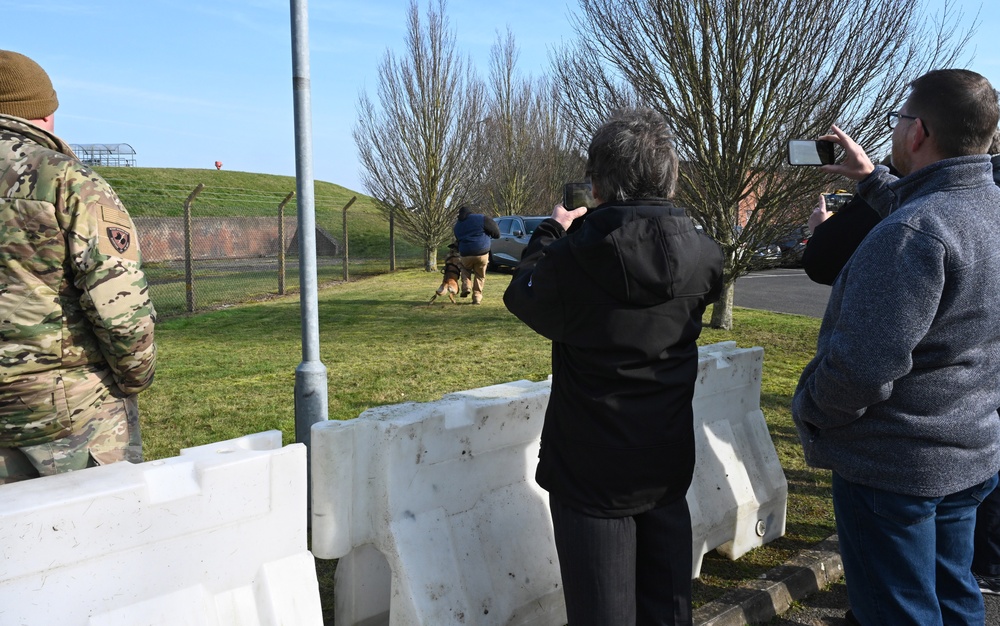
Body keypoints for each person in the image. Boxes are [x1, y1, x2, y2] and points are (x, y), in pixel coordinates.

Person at [792, 69, 1000, 625]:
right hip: (967, 453)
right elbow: (941, 217)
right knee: (956, 598)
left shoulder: (913, 234)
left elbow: (861, 367)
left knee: (899, 612)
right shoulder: (987, 209)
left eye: (901, 119)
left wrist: (811, 410)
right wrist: (871, 178)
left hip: (895, 470)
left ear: (918, 132)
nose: (896, 130)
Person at [503, 107, 723, 625]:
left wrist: (551, 234)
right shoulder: (704, 253)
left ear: (599, 184)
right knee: (668, 606)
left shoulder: (577, 256)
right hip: (666, 453)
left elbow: (523, 296)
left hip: (591, 464)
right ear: (670, 176)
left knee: (602, 610)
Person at [0, 50, 156, 484]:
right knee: (90, 536)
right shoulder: (69, 183)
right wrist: (134, 378)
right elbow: (119, 307)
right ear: (43, 114)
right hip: (65, 416)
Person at [452, 205, 499, 305]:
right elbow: (496, 233)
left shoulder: (457, 226)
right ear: (470, 212)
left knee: (465, 269)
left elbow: (458, 240)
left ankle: (466, 286)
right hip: (482, 253)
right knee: (480, 275)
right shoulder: (481, 218)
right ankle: (477, 297)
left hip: (465, 253)